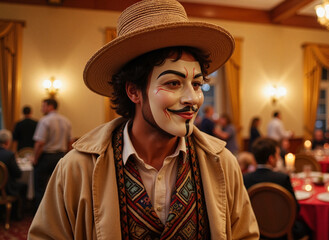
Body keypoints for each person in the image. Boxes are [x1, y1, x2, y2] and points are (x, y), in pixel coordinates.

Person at [28, 0, 259, 239]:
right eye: (173, 83)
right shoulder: (78, 169)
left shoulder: (222, 164)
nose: (193, 98)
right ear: (134, 91)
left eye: (197, 84)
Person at [243, 137, 310, 240]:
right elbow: (295, 209)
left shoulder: (245, 178)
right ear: (271, 158)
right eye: (277, 155)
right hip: (283, 233)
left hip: (255, 231)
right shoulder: (282, 178)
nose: (278, 158)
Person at [32, 98, 72, 210]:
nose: (41, 109)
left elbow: (40, 143)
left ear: (50, 106)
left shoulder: (44, 121)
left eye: (43, 106)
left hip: (46, 157)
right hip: (61, 156)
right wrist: (67, 157)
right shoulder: (66, 120)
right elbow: (71, 141)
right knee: (60, 188)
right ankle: (59, 213)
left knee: (40, 187)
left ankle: (40, 213)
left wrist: (35, 159)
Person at [0, 129, 26, 220]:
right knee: (23, 186)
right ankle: (17, 215)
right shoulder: (9, 155)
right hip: (6, 189)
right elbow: (18, 174)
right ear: (8, 142)